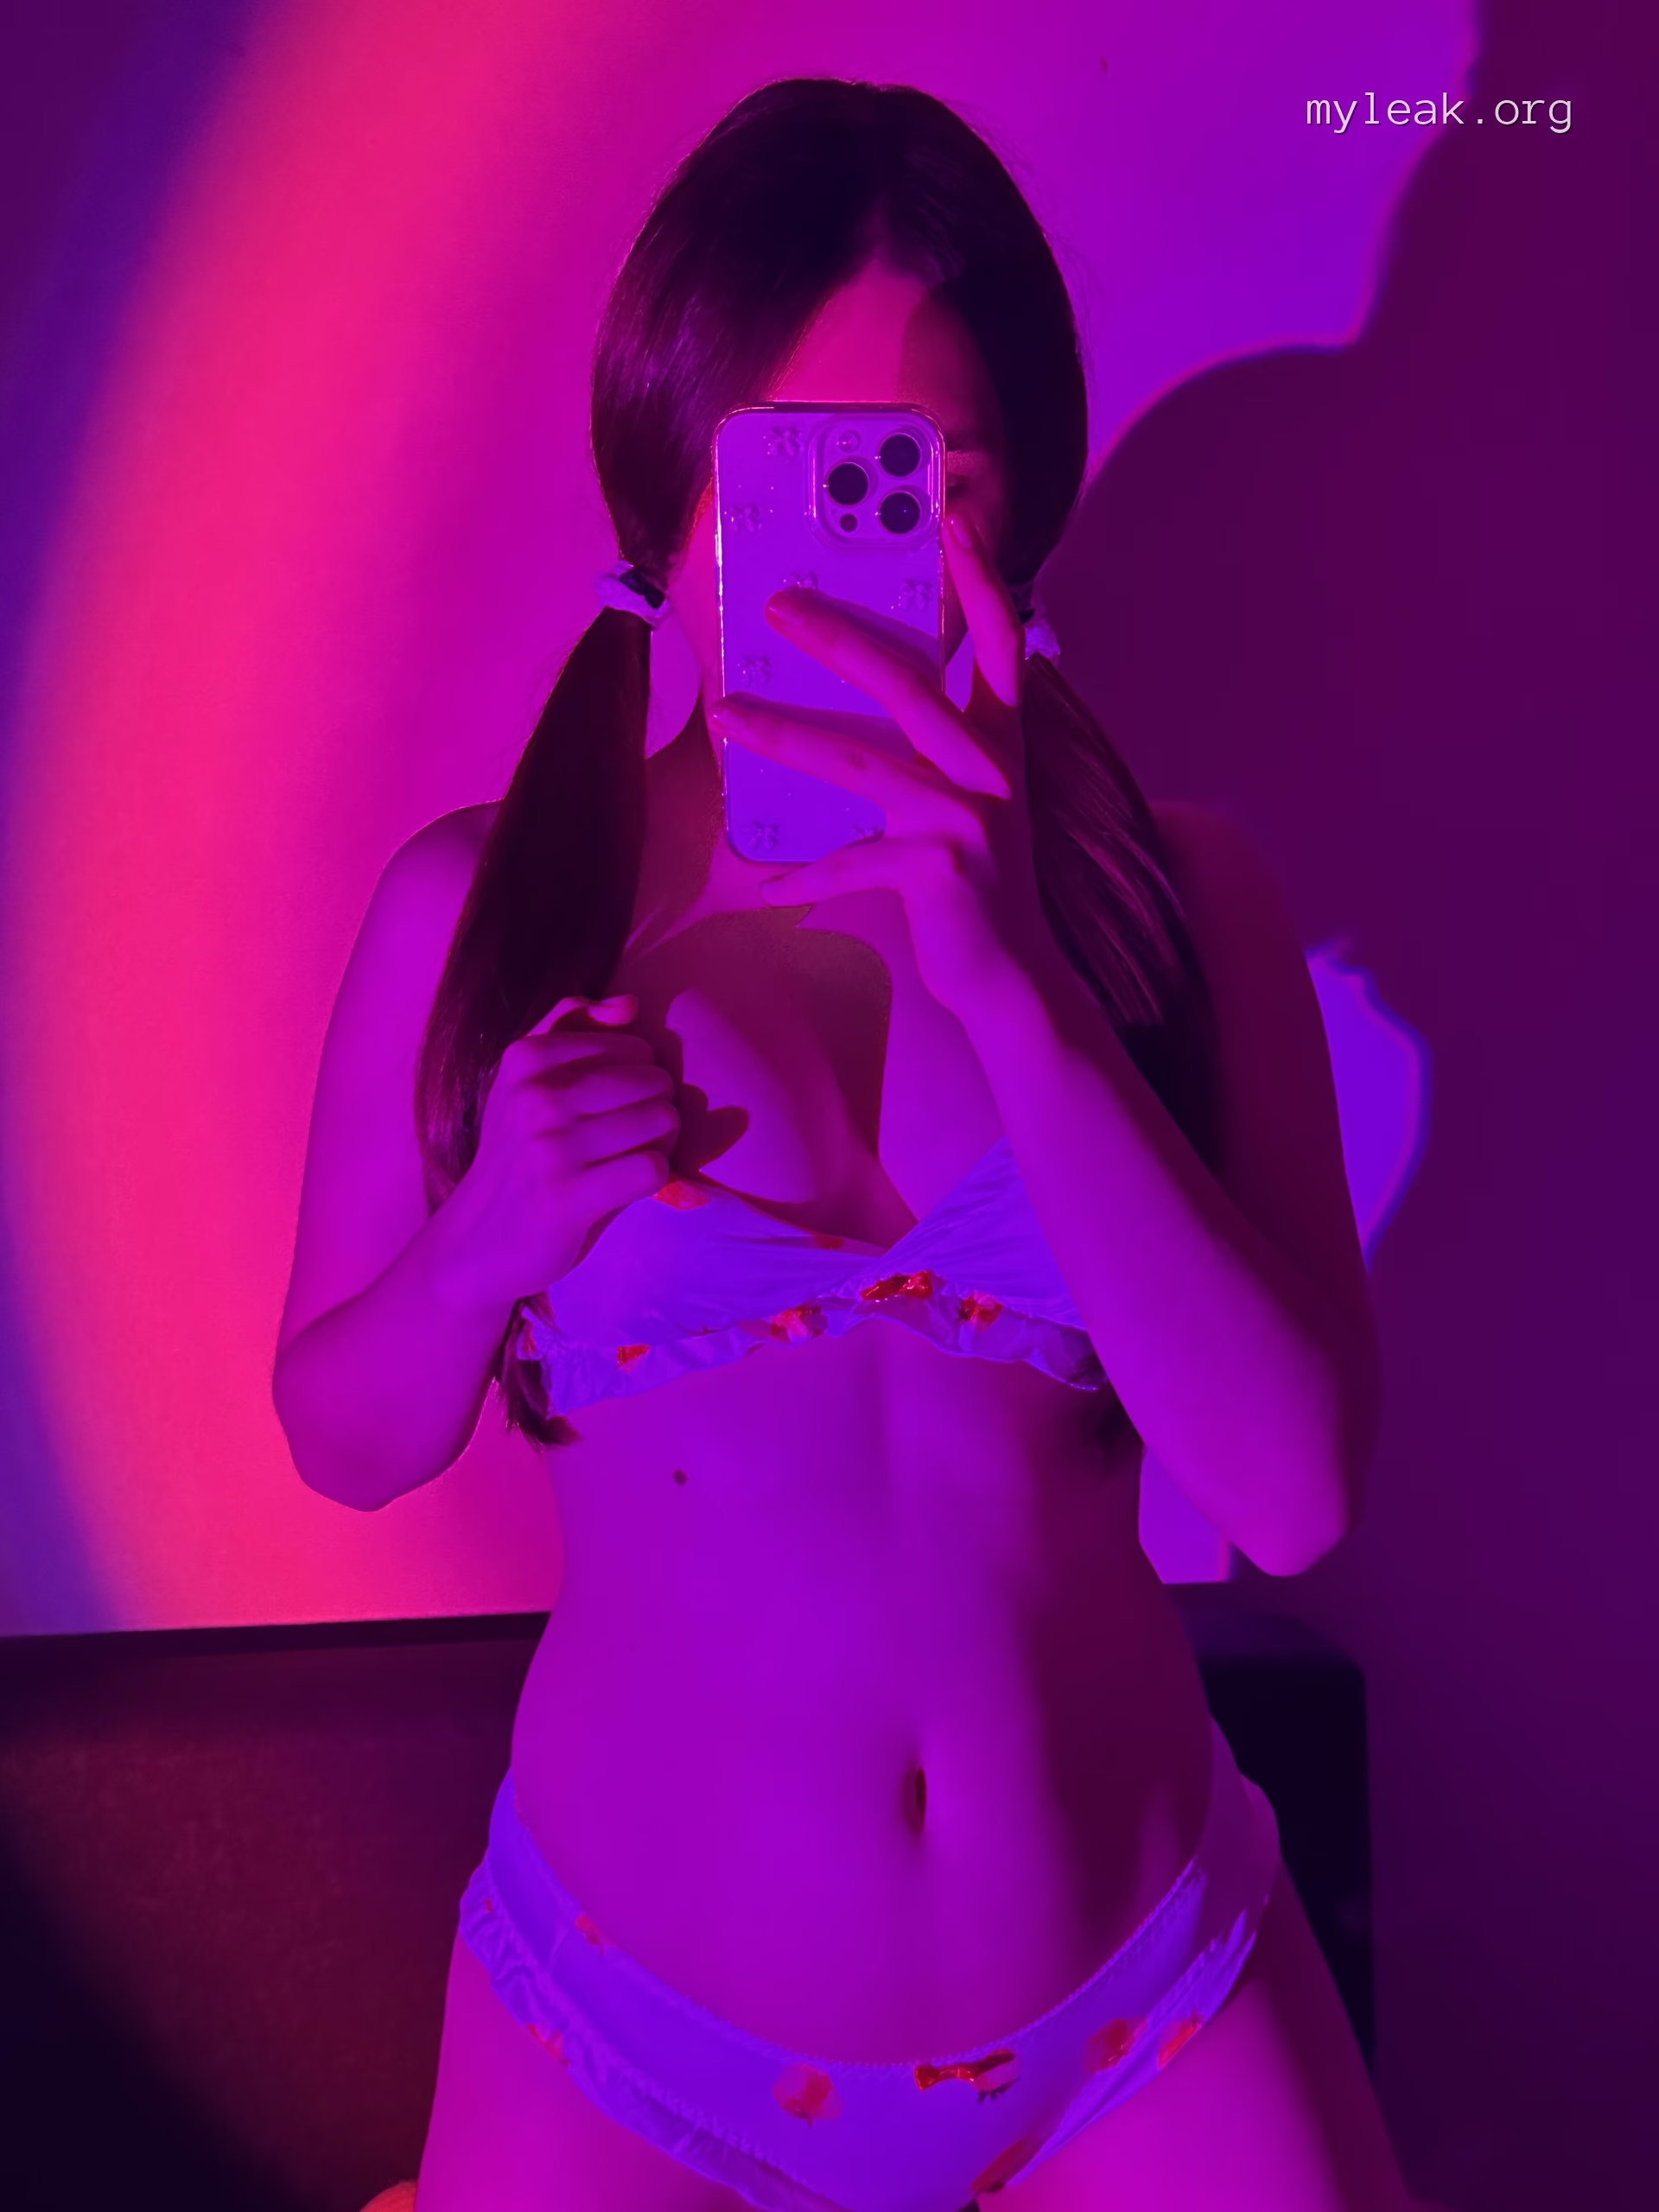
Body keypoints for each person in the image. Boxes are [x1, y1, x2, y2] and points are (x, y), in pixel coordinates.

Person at [274, 78, 1414, 2212]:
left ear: (1021, 515)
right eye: (776, 479)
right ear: (663, 496)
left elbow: (1288, 1494)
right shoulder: (489, 904)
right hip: (627, 2035)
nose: (841, 563)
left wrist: (1016, 978)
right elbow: (341, 1429)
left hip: (1146, 2001)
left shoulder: (1177, 900)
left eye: (926, 486)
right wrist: (488, 1235)